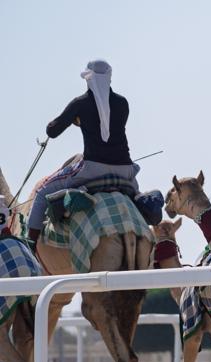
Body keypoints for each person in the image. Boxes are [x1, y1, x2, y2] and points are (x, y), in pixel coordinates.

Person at [27, 60, 139, 244]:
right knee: (139, 198)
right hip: (125, 170)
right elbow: (107, 126)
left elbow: (52, 131)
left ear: (89, 79)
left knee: (41, 193)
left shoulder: (80, 103)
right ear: (109, 78)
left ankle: (30, 246)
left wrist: (74, 119)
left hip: (92, 169)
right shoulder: (123, 103)